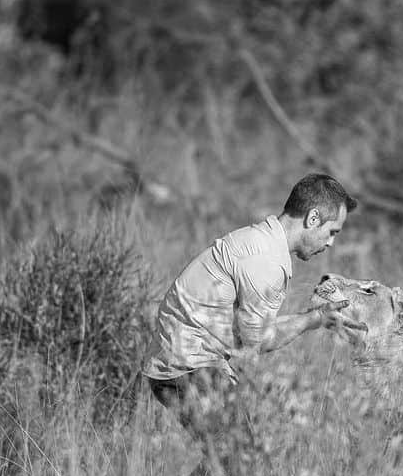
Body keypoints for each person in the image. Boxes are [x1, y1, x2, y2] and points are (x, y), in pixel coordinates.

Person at [141, 173, 366, 436]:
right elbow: (260, 341)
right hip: (187, 366)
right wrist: (312, 320)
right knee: (244, 465)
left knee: (232, 465)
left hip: (181, 364)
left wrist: (317, 317)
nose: (331, 243)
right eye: (331, 232)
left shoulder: (262, 241)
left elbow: (252, 330)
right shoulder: (266, 261)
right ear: (313, 218)